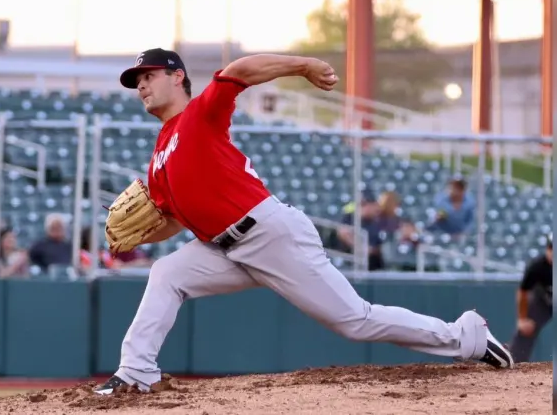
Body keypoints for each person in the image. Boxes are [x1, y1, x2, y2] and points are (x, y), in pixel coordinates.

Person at [94, 48, 513, 395]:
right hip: (222, 248)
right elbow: (171, 217)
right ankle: (136, 371)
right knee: (167, 272)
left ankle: (465, 336)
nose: (142, 86)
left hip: (271, 234)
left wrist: (304, 65)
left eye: (147, 76)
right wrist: (136, 238)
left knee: (355, 320)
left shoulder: (200, 113)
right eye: (137, 82)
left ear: (177, 76)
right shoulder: (159, 153)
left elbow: (239, 72)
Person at [509, 233, 552, 363]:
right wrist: (522, 319)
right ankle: (514, 361)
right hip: (545, 300)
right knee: (527, 327)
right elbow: (523, 292)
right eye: (551, 248)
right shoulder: (538, 267)